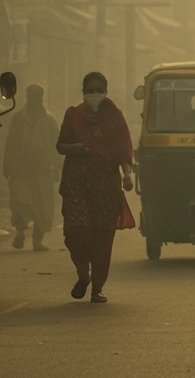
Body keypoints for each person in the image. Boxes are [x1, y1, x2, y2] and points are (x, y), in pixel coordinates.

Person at [56, 72, 135, 303]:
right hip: (77, 183)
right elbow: (60, 146)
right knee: (75, 232)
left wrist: (127, 174)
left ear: (106, 91)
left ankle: (97, 288)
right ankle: (83, 274)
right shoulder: (73, 115)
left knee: (102, 238)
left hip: (106, 186)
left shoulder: (115, 117)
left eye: (98, 90)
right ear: (83, 92)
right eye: (90, 90)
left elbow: (124, 147)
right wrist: (77, 148)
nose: (94, 94)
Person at [4, 83, 59, 251]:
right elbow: (11, 144)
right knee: (20, 203)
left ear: (41, 98)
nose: (34, 100)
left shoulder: (49, 119)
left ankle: (37, 241)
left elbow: (56, 146)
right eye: (31, 96)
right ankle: (20, 232)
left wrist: (57, 168)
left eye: (37, 97)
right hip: (21, 169)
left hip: (43, 169)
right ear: (28, 97)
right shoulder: (19, 118)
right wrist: (7, 166)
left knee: (42, 208)